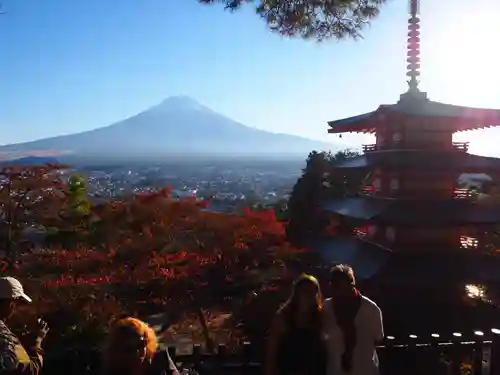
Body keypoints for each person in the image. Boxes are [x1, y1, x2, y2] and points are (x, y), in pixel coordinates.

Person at [323, 264, 383, 375]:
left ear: (353, 284)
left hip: (365, 370)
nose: (342, 291)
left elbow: (378, 338)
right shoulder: (325, 308)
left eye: (345, 286)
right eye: (338, 286)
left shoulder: (371, 309)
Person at [265, 274, 327, 375]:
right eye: (305, 291)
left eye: (313, 292)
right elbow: (272, 353)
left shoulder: (319, 317)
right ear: (297, 293)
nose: (309, 296)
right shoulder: (284, 317)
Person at [0, 276, 49, 375]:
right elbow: (31, 370)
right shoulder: (6, 338)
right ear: (11, 303)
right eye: (17, 303)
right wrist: (38, 341)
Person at [103, 317, 180, 375]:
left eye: (141, 344)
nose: (138, 351)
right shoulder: (113, 368)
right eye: (129, 348)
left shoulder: (160, 358)